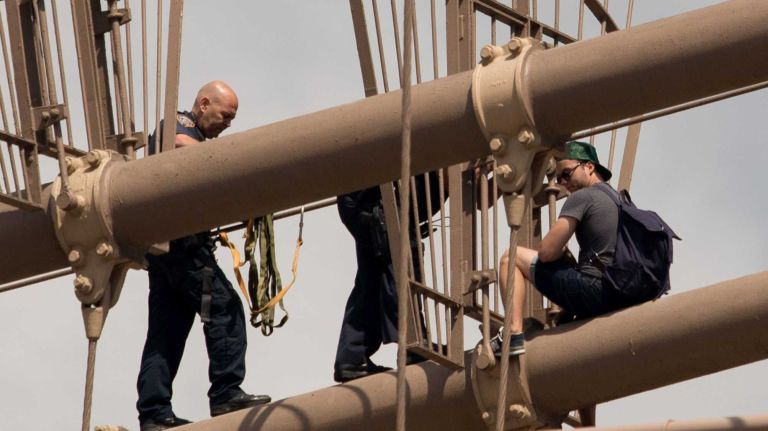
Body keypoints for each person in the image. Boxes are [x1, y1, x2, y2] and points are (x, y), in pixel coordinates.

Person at [137, 81, 270, 431]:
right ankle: (226, 392)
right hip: (181, 249)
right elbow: (177, 145)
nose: (228, 124)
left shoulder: (193, 135)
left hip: (164, 250)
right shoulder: (177, 124)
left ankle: (153, 413)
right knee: (223, 308)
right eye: (225, 116)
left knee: (166, 334)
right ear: (204, 103)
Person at [495, 141, 638, 357]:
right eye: (560, 178)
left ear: (589, 167)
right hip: (623, 293)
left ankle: (513, 333)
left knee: (510, 258)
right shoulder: (621, 200)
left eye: (567, 174)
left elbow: (546, 252)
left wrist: (559, 252)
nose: (563, 183)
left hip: (595, 292)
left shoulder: (583, 197)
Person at [333, 174, 441, 383]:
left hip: (364, 199)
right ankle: (412, 341)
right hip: (373, 200)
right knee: (397, 265)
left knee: (372, 277)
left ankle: (352, 356)